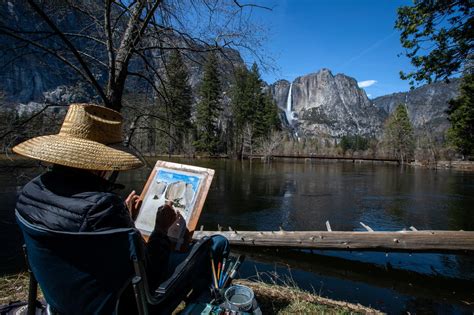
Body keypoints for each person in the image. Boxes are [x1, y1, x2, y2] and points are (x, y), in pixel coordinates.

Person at [13, 103, 228, 311]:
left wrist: (124, 219)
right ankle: (203, 306)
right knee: (216, 244)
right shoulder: (102, 208)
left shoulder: (30, 193)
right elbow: (151, 275)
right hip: (130, 306)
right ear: (100, 167)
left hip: (63, 301)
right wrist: (161, 230)